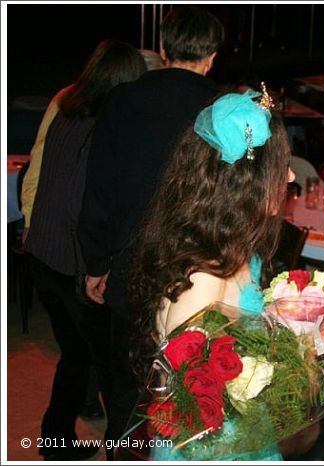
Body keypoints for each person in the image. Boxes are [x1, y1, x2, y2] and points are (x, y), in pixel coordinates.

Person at [77, 6, 224, 456]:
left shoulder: (122, 100)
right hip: (198, 272)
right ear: (213, 55)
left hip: (130, 263)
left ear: (162, 49)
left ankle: (121, 454)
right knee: (188, 387)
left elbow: (99, 188)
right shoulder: (224, 109)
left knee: (127, 384)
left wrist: (96, 262)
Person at [129, 90, 295, 461]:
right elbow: (187, 400)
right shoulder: (203, 275)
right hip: (210, 449)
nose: (290, 175)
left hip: (242, 435)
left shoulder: (238, 252)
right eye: (281, 166)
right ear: (247, 181)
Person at [22, 40, 146, 461]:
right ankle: (121, 450)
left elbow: (45, 181)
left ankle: (56, 441)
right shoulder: (106, 125)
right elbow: (85, 205)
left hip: (42, 253)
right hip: (73, 262)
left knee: (75, 356)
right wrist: (99, 265)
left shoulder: (67, 109)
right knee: (111, 365)